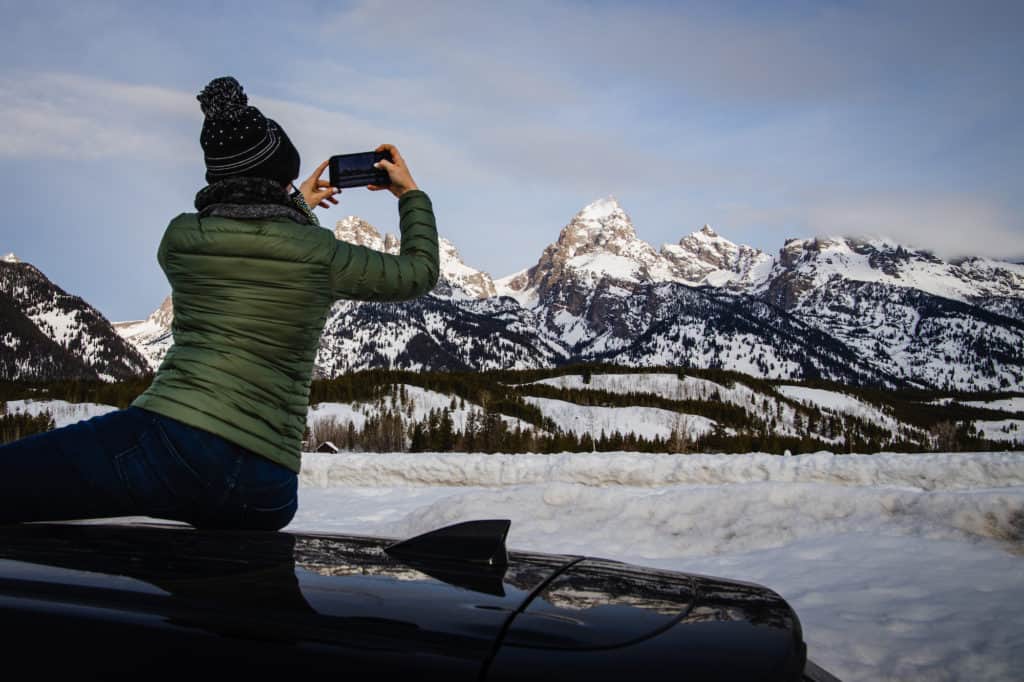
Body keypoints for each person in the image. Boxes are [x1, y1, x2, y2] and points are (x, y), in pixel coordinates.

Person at [0, 76, 439, 531]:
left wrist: (291, 205)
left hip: (169, 443)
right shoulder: (322, 254)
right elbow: (419, 272)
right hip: (266, 485)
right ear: (283, 175)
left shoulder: (181, 240)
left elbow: (246, 235)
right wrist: (408, 194)